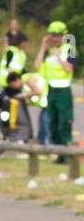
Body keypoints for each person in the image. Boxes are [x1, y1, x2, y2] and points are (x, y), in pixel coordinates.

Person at [35, 21, 75, 158]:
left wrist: (58, 57)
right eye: (52, 35)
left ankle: (66, 154)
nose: (55, 38)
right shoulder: (48, 51)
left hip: (63, 91)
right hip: (51, 91)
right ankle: (58, 154)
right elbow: (37, 66)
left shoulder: (70, 49)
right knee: (53, 124)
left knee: (63, 124)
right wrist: (42, 47)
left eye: (58, 35)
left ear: (64, 36)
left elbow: (69, 68)